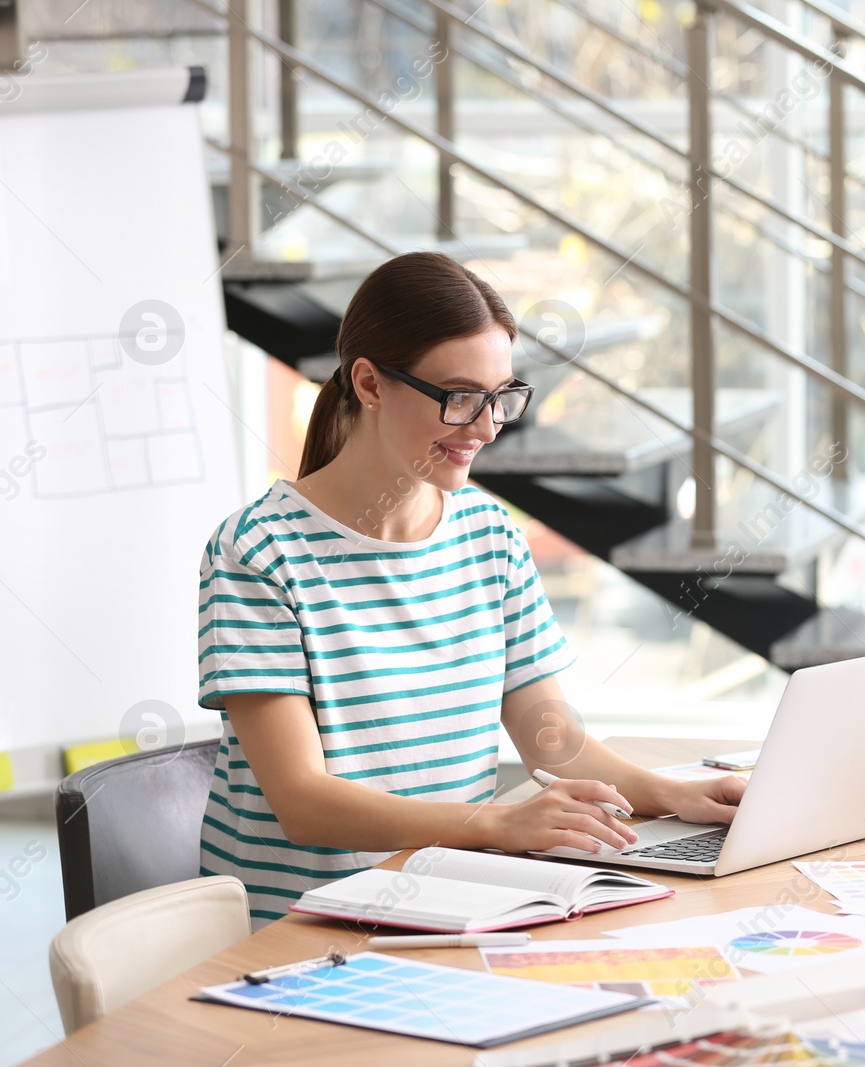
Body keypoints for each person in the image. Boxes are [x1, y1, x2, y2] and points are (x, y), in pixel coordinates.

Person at [196, 251, 745, 926]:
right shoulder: (257, 552)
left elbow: (550, 738)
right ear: (368, 383)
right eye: (459, 398)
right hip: (296, 931)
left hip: (448, 909)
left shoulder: (490, 535)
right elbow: (303, 802)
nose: (486, 427)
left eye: (501, 397)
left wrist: (673, 794)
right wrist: (499, 823)